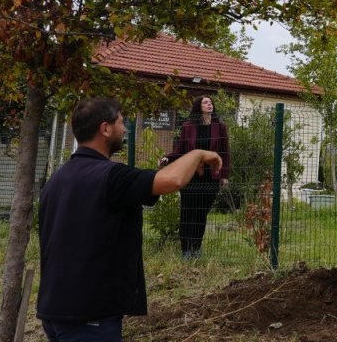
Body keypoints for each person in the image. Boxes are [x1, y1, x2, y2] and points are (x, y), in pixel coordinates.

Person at [38, 97, 221, 341]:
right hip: (90, 314)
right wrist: (198, 153)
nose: (125, 129)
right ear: (105, 128)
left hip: (53, 309)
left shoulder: (57, 179)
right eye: (121, 123)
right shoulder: (111, 177)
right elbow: (173, 180)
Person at [159, 95, 231, 259]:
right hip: (190, 176)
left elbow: (225, 152)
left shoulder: (219, 127)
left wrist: (224, 175)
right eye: (206, 102)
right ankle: (186, 250)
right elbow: (181, 149)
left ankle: (197, 248)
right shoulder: (188, 126)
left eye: (211, 102)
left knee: (201, 213)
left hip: (210, 177)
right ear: (199, 106)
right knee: (188, 212)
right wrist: (168, 158)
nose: (209, 104)